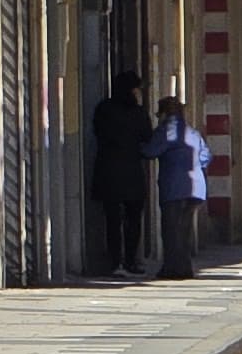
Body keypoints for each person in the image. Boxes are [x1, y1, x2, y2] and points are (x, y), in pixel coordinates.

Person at [88, 75, 152, 278]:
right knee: (133, 220)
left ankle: (115, 262)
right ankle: (131, 260)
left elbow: (98, 132)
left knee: (112, 220)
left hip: (108, 172)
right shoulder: (138, 113)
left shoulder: (103, 109)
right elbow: (147, 137)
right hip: (132, 173)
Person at [148, 92, 207, 279]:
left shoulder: (167, 131)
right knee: (185, 229)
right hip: (197, 188)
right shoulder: (193, 132)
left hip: (174, 187)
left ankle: (172, 269)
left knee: (171, 229)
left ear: (164, 114)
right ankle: (185, 267)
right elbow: (206, 157)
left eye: (159, 114)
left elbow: (150, 151)